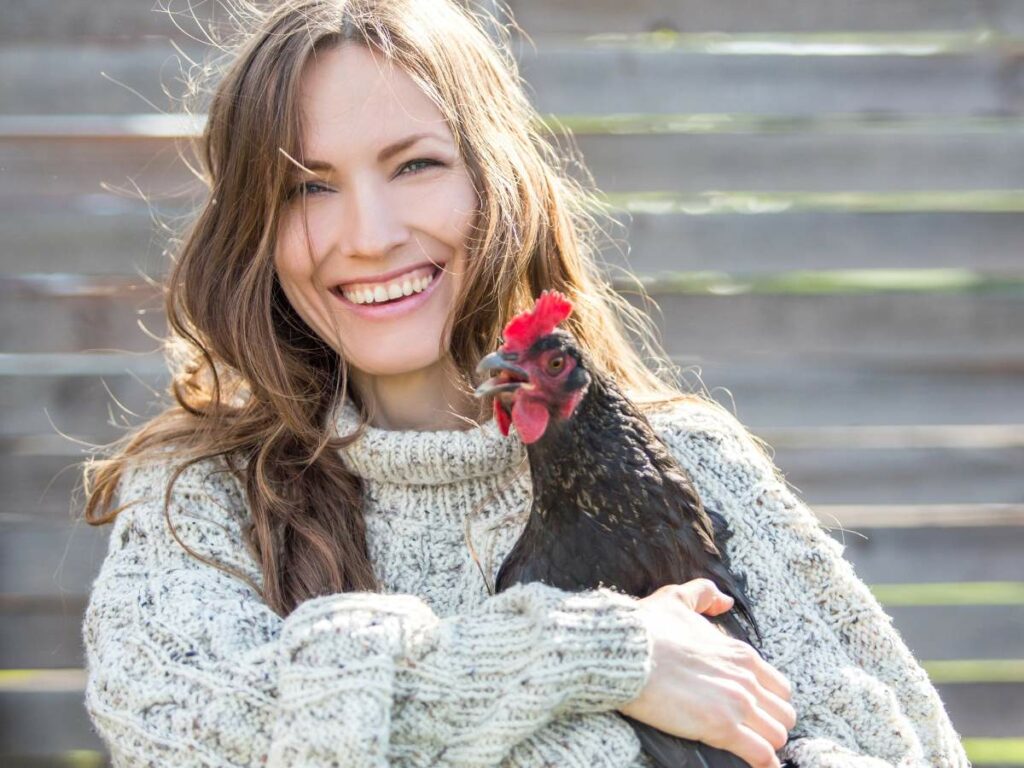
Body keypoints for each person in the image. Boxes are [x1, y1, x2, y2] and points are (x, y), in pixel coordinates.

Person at [79, 1, 970, 766]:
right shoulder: (203, 501)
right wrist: (605, 658)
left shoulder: (693, 462)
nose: (370, 233)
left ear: (492, 181)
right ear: (256, 230)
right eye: (309, 188)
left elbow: (896, 741)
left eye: (415, 164)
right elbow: (188, 735)